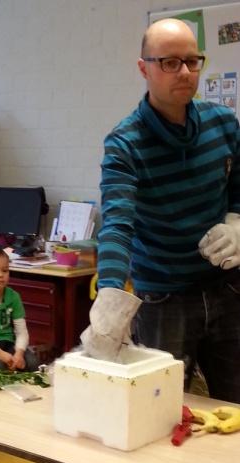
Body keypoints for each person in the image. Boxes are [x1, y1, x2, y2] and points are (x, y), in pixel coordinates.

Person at [81, 18, 240, 404]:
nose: (184, 72)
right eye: (170, 62)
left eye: (192, 61)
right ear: (144, 68)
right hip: (163, 301)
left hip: (226, 290)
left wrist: (237, 222)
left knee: (234, 407)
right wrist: (110, 296)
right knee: (159, 411)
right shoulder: (125, 143)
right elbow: (119, 221)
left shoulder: (224, 124)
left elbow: (238, 191)